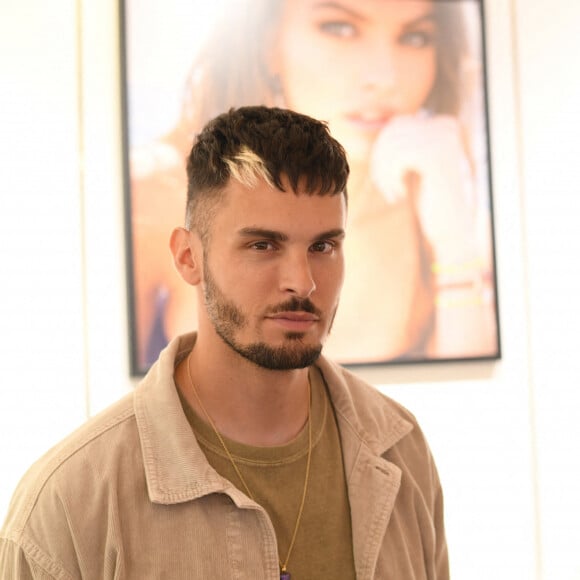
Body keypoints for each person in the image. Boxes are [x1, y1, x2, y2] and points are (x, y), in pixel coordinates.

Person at [1, 106, 448, 579]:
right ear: (188, 257)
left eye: (323, 247)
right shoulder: (70, 504)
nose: (302, 282)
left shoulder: (399, 450)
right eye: (263, 246)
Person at [130, 0, 499, 371]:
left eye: (415, 36)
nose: (385, 77)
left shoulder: (435, 180)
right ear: (268, 41)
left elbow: (471, 392)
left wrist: (455, 246)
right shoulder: (160, 192)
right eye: (339, 28)